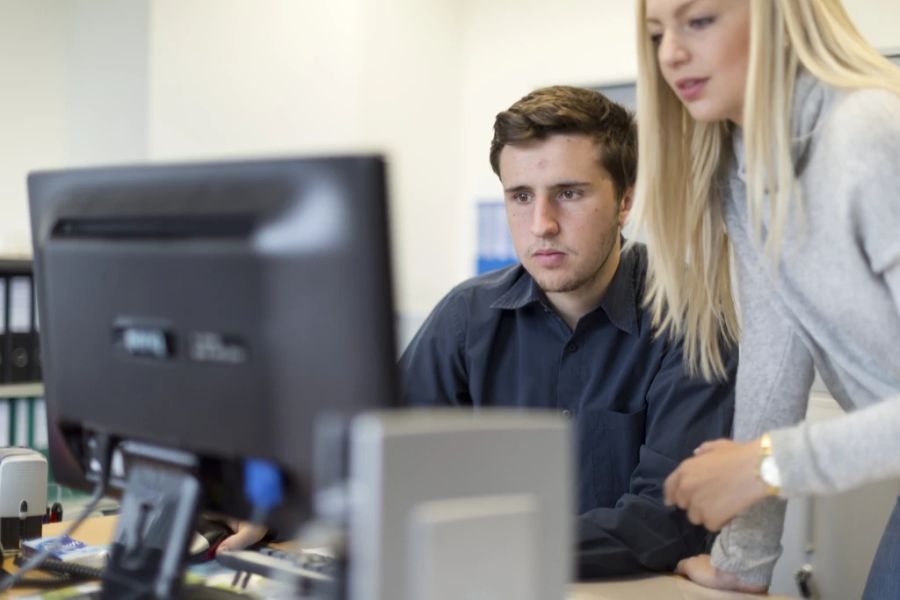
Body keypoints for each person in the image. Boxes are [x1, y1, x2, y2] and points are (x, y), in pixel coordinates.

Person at [400, 85, 736, 577]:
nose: (542, 225)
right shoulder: (465, 317)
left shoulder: (690, 319)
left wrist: (497, 545)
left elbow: (669, 520)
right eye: (520, 196)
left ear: (624, 201)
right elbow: (387, 464)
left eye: (569, 194)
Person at [634, 0, 900, 596]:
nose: (670, 53)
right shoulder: (746, 167)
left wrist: (767, 464)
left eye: (698, 21)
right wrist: (743, 558)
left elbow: (770, 447)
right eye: (656, 33)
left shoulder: (873, 134)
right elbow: (773, 366)